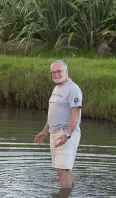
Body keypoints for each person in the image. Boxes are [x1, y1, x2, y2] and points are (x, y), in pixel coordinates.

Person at [34, 60, 82, 189]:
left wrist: (67, 134)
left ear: (66, 71)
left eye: (59, 71)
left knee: (61, 170)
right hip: (55, 132)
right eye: (53, 72)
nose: (56, 74)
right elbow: (53, 113)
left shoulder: (73, 88)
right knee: (63, 169)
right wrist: (45, 131)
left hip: (66, 132)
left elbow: (75, 113)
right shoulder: (57, 88)